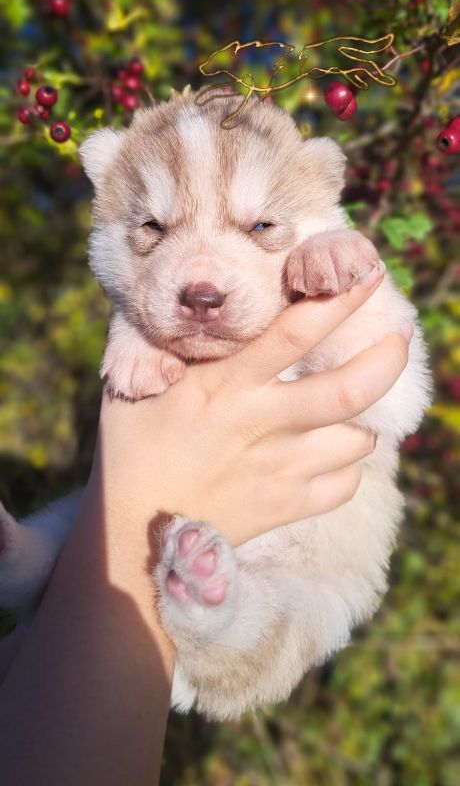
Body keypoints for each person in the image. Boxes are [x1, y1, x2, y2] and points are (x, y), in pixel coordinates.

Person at [0, 264, 411, 785]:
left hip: (305, 556)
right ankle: (30, 564)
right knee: (109, 500)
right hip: (118, 645)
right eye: (157, 227)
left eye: (259, 225)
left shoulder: (319, 242)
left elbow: (398, 400)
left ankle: (209, 614)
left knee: (115, 503)